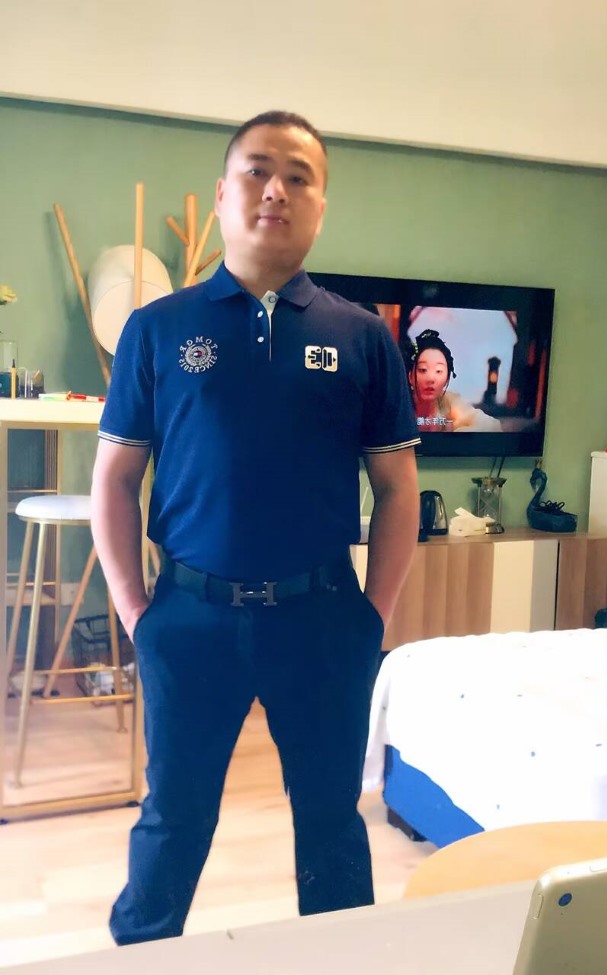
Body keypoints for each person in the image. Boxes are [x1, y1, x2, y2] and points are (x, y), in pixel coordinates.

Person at [90, 109, 421, 946]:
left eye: (298, 177)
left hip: (324, 618)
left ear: (320, 205)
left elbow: (397, 488)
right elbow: (115, 480)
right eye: (258, 170)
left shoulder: (361, 336)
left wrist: (373, 616)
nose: (277, 189)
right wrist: (137, 613)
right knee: (173, 816)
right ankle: (139, 952)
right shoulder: (156, 329)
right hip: (189, 617)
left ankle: (340, 958)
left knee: (332, 820)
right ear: (222, 194)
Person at [408, 329, 502, 432]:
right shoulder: (401, 405)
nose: (431, 378)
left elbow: (492, 425)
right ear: (410, 377)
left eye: (438, 371)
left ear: (447, 378)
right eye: (423, 370)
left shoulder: (449, 402)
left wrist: (453, 437)